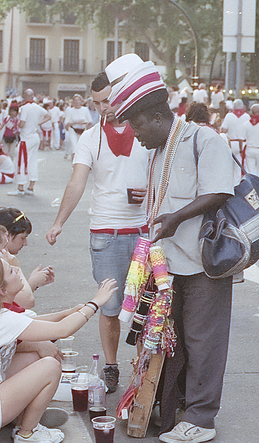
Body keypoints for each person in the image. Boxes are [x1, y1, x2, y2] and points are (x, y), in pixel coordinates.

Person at [108, 53, 236, 443]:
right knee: (170, 338)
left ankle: (201, 418)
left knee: (203, 341)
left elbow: (218, 191)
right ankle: (171, 407)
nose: (135, 134)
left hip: (203, 265)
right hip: (169, 267)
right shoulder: (159, 150)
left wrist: (177, 218)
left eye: (137, 125)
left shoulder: (204, 139)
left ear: (157, 117)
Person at [0, 255, 117, 443]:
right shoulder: (3, 319)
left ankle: (22, 415)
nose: (16, 270)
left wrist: (68, 312)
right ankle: (27, 433)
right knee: (50, 366)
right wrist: (96, 302)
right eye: (11, 271)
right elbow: (63, 330)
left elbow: (33, 323)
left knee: (32, 357)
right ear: (2, 290)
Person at [46, 71, 151, 394]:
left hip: (143, 231)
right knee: (110, 306)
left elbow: (164, 175)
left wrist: (147, 192)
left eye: (108, 100)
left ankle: (142, 369)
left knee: (145, 306)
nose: (103, 107)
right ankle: (111, 365)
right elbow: (77, 181)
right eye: (97, 103)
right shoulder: (90, 137)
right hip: (104, 231)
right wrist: (59, 221)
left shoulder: (147, 132)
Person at [0, 207, 54, 310]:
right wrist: (18, 269)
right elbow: (26, 302)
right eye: (22, 238)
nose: (25, 243)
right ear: (8, 235)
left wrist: (32, 283)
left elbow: (13, 298)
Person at [9, 90, 49, 196]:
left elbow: (22, 124)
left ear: (24, 96)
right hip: (35, 137)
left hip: (26, 138)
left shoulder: (24, 108)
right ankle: (31, 186)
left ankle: (20, 187)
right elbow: (48, 116)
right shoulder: (37, 107)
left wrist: (16, 125)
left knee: (21, 162)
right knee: (32, 161)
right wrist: (37, 123)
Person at [220, 99, 250, 163]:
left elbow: (223, 130)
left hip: (231, 143)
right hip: (243, 144)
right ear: (242, 106)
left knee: (230, 165)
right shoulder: (247, 116)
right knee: (240, 165)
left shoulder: (229, 116)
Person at [62, 95, 91, 161]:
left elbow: (89, 121)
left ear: (81, 101)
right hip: (73, 130)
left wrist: (83, 122)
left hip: (82, 130)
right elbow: (67, 123)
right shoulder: (70, 110)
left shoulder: (85, 109)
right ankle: (73, 165)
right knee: (74, 148)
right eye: (75, 100)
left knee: (81, 148)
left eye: (78, 100)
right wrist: (75, 122)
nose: (77, 102)